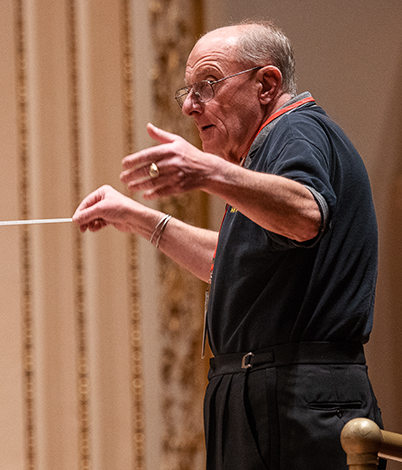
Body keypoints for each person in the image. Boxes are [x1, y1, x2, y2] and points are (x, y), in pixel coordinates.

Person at [72, 20, 384, 470]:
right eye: (188, 90)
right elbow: (233, 262)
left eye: (209, 84)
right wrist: (138, 218)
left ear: (266, 84)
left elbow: (306, 216)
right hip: (259, 392)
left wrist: (207, 172)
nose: (191, 106)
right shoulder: (261, 156)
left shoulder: (297, 131)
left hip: (300, 395)